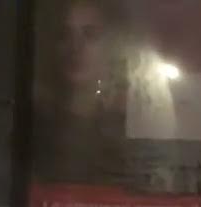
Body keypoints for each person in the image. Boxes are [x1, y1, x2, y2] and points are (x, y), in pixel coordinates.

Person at [32, 0, 132, 187]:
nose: (75, 48)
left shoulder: (125, 128)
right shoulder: (32, 124)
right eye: (65, 35)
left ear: (111, 47)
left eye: (90, 34)